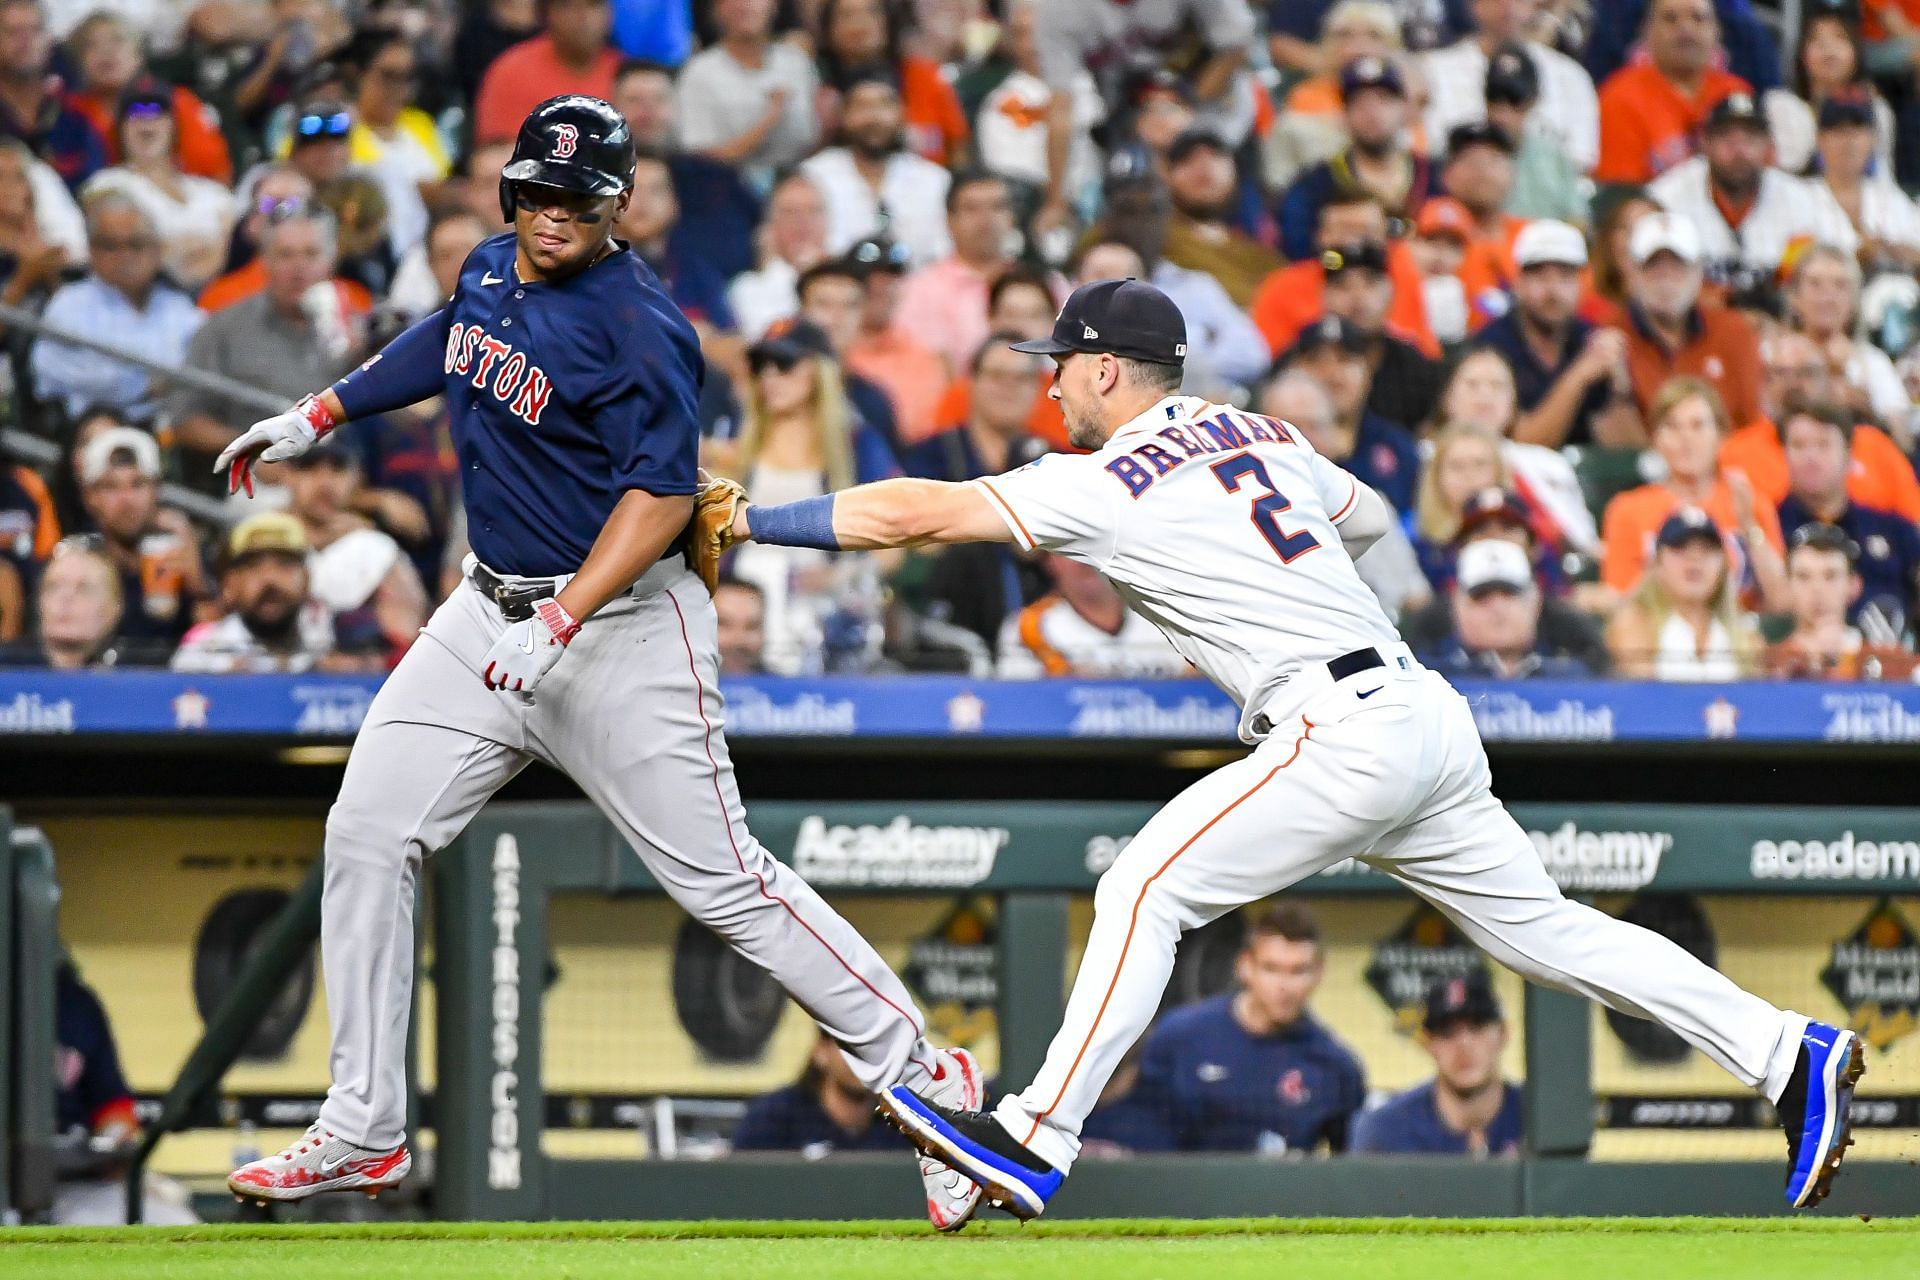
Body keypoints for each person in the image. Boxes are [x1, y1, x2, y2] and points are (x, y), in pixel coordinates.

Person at [726, 282, 1869, 1217]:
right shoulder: (1264, 432)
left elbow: (911, 512)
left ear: (1110, 371)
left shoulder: (1103, 479)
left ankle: (1032, 1134)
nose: (1051, 380)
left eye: (1062, 362)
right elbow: (1369, 516)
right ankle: (1785, 1049)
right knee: (1559, 932)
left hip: (1340, 726)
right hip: (1421, 713)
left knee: (1143, 886)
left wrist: (749, 519)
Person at [216, 97, 985, 1233]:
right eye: (534, 189)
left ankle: (923, 1070)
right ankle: (367, 1123)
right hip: (486, 610)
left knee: (722, 878)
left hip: (622, 626)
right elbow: (449, 337)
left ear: (616, 204)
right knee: (367, 830)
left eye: (576, 195)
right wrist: (321, 410)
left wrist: (566, 617)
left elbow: (664, 494)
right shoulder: (491, 263)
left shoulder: (642, 323)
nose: (550, 212)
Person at [1118, 904, 1367, 1154]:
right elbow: (1136, 1130)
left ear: (1319, 973)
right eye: (1271, 968)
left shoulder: (1334, 1066)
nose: (1284, 985)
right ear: (1245, 966)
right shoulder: (1180, 1037)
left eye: (1298, 971)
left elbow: (1346, 1168)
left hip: (1280, 1192)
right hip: (1181, 1189)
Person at [168, 204, 367, 482]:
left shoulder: (359, 326)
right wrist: (253, 449)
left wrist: (361, 352)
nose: (300, 268)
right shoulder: (225, 328)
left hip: (348, 477)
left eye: (311, 254)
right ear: (265, 261)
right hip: (261, 481)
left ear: (331, 260)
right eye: (286, 255)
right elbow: (184, 421)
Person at [1029, 0, 1256, 239]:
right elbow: (1060, 111)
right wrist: (1055, 202)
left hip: (1210, 102)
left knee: (1219, 179)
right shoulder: (1060, 10)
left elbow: (1238, 44)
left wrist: (1185, 108)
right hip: (1129, 112)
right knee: (1130, 186)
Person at [1260, 369, 1434, 619]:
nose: (1303, 439)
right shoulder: (1234, 510)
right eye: (1289, 426)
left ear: (1334, 435)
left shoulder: (1368, 502)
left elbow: (1416, 598)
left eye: (1315, 425)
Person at [1646, 94, 1857, 297]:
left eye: (1750, 138)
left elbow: (1847, 256)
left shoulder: (1804, 199)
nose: (1739, 151)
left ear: (1767, 146)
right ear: (1705, 144)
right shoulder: (1666, 196)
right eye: (1726, 138)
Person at [1603, 377, 1785, 603]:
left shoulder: (1751, 503)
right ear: (1656, 438)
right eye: (1672, 426)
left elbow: (1781, 601)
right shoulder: (1627, 509)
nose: (1685, 438)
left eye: (1697, 425)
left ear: (1721, 435)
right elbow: (1620, 600)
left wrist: (1749, 525)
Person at [49, 960, 198, 1224]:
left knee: (175, 1225)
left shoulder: (72, 1002)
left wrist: (109, 1143)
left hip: (73, 1181)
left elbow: (113, 1105)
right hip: (14, 1185)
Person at [30, 192, 199, 425]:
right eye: (110, 246)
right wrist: (147, 385)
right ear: (91, 250)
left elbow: (204, 365)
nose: (125, 255)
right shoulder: (70, 304)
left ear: (157, 250)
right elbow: (50, 373)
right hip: (94, 429)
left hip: (172, 429)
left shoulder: (177, 306)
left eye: (136, 244)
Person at [1473, 220, 1643, 448]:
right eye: (1540, 276)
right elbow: (1524, 443)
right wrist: (1580, 375)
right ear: (1519, 282)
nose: (1553, 291)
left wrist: (1619, 387)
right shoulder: (1491, 346)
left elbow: (1629, 451)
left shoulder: (1590, 338)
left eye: (1565, 276)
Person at [1721, 329, 1920, 521]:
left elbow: (1914, 521)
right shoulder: (1736, 452)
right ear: (1764, 383)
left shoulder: (1874, 446)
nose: (1793, 384)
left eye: (1807, 372)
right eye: (1780, 372)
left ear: (1829, 380)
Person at [1435, 347, 1599, 557]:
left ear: (1513, 401)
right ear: (1446, 398)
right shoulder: (1423, 459)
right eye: (1472, 385)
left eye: (1497, 386)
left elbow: (1584, 544)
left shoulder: (1549, 463)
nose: (1485, 396)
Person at [1775, 402, 1920, 636]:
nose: (1811, 457)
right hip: (1797, 663)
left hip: (1892, 661)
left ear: (1848, 454)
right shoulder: (1772, 524)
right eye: (1799, 446)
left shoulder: (1892, 528)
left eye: (1823, 445)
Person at [613, 59, 762, 284]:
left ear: (676, 109)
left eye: (659, 100)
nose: (647, 113)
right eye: (634, 101)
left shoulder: (715, 177)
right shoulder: (585, 184)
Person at [1278, 56, 1439, 263]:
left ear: (1404, 109)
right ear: (1344, 115)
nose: (1371, 112)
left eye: (1383, 99)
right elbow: (1299, 252)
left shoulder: (1433, 174)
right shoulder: (1316, 182)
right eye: (1359, 102)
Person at [283, 438, 427, 667]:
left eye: (337, 469)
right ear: (288, 477)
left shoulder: (377, 549)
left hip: (355, 680)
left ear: (356, 480)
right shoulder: (263, 540)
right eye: (309, 469)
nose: (325, 483)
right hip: (272, 676)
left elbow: (407, 636)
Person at [79, 85, 236, 290]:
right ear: (121, 129)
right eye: (135, 114)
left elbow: (236, 246)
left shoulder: (211, 192)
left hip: (221, 295)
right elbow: (121, 248)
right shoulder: (107, 183)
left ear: (173, 126)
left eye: (155, 113)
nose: (145, 122)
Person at [1352, 971, 1525, 1156]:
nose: (1464, 1044)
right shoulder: (1386, 1129)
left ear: (1503, 1034)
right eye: (1447, 1031)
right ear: (1427, 1042)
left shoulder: (1541, 1118)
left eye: (1477, 1026)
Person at [1619, 211, 1764, 427]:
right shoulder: (1611, 336)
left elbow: (1752, 422)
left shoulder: (1735, 332)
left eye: (1677, 264)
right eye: (1653, 265)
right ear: (1633, 272)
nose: (1665, 277)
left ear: (1698, 271)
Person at [1250, 193, 1437, 360]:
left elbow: (1427, 354)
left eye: (1367, 231)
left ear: (1383, 236)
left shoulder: (1404, 278)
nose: (1354, 241)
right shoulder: (1283, 286)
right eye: (1344, 229)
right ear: (1321, 236)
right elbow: (1268, 361)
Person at [72, 420, 206, 652]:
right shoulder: (76, 565)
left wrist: (198, 585)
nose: (126, 500)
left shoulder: (184, 555)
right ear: (90, 497)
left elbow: (220, 654)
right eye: (111, 487)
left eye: (138, 484)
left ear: (157, 490)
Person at [1421, 0, 1598, 174]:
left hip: (1544, 193)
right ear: (1474, 4)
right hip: (1458, 187)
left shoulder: (1570, 75)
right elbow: (1429, 146)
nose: (1509, 7)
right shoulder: (1434, 69)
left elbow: (1582, 158)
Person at [1077, 238, 1266, 402]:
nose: (1114, 286)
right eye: (1101, 275)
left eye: (1127, 277)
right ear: (1077, 284)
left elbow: (1254, 357)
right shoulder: (1064, 349)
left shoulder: (1183, 361)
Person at [798, 68, 952, 267]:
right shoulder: (814, 176)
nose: (874, 117)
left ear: (902, 112)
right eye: (862, 106)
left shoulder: (934, 179)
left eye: (885, 105)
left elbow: (944, 252)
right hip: (838, 287)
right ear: (843, 116)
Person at [1593, 0, 1751, 184]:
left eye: (1698, 18)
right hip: (1651, 209)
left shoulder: (1736, 92)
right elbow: (1619, 194)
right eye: (1670, 19)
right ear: (1647, 32)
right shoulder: (1620, 96)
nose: (1686, 29)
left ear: (1717, 30)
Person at [63, 12, 231, 183]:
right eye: (91, 45)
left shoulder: (175, 102)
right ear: (79, 61)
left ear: (138, 55)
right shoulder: (69, 113)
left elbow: (217, 176)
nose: (106, 51)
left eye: (117, 40)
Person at [1279, 314, 1421, 513]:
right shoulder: (1269, 442)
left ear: (1368, 369)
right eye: (1317, 361)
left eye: (1345, 360)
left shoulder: (1398, 447)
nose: (1332, 374)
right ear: (1293, 369)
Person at [171, 511, 340, 673]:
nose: (270, 578)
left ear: (306, 580)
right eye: (253, 567)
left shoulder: (333, 641)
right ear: (229, 585)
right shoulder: (201, 656)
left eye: (284, 564)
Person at [674, 0, 817, 189]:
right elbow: (702, 157)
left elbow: (814, 137)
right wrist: (769, 119)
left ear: (773, 6)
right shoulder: (698, 73)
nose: (745, 6)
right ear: (715, 10)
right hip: (727, 188)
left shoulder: (796, 62)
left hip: (802, 181)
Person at [1606, 505, 1762, 679]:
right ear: (1657, 563)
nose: (1694, 559)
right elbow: (1642, 696)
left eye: (1707, 550)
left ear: (1723, 565)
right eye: (1680, 548)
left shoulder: (1745, 637)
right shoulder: (1634, 624)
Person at [892, 171, 1021, 376]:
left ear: (1012, 218)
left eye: (997, 207)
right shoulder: (918, 290)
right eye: (972, 209)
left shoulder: (1045, 284)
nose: (986, 220)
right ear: (949, 221)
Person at [1417, 538, 1604, 677]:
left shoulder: (1573, 677)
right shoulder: (1428, 678)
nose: (1497, 607)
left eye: (1509, 593)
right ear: (1457, 606)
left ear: (1535, 602)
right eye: (1481, 596)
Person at [1267, 0, 1403, 191]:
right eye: (1345, 36)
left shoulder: (1410, 95)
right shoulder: (1306, 95)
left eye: (1374, 35)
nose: (1359, 47)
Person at [815, 0, 968, 166]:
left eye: (872, 12)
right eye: (846, 15)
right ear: (828, 28)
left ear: (888, 21)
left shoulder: (925, 76)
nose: (860, 23)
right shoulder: (817, 86)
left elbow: (958, 150)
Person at [1783, 243, 1911, 432]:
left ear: (1854, 300)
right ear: (1794, 297)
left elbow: (1903, 440)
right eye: (1815, 284)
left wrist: (1867, 408)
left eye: (1840, 286)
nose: (1828, 297)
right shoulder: (1773, 357)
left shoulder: (1874, 363)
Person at [998, 551, 1188, 678]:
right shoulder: (1028, 627)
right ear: (1049, 561)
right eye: (1070, 550)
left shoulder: (1170, 614)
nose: (1085, 561)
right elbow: (1022, 705)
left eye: (1095, 546)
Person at [1763, 523, 1916, 680]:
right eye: (1804, 576)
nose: (1818, 589)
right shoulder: (1767, 664)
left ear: (1853, 585)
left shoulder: (1886, 661)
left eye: (1830, 576)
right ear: (1788, 585)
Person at [342, 28, 447, 258]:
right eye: (388, 76)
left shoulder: (421, 124)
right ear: (356, 74)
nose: (399, 90)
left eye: (407, 78)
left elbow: (441, 184)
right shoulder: (336, 130)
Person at [1157, 127, 1286, 309]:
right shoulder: (1151, 237)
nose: (1203, 166)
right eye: (1187, 159)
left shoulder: (1263, 257)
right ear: (1166, 176)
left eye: (1216, 155)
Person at [844, 235, 950, 444]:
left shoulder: (920, 356)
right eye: (867, 278)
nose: (878, 287)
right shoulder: (835, 352)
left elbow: (930, 432)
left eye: (889, 277)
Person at [1767, 8, 1896, 178]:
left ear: (1856, 52)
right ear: (1802, 55)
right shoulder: (1782, 104)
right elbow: (1786, 172)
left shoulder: (1877, 109)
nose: (1828, 48)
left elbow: (1883, 180)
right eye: (1816, 40)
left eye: (1840, 37)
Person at [472, 0, 621, 146]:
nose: (583, 17)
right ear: (547, 14)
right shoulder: (512, 70)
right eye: (568, 6)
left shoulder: (625, 73)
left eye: (594, 5)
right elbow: (493, 154)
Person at [732, 1031, 903, 1154]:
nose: (865, 1059)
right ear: (821, 1051)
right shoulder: (774, 1119)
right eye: (852, 1047)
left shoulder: (905, 1126)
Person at [906, 336, 1045, 482]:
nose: (1008, 386)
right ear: (972, 381)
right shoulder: (929, 457)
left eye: (1021, 378)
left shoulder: (1052, 460)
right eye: (997, 375)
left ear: (1038, 388)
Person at [0, 0, 104, 190]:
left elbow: (97, 184)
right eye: (13, 32)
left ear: (49, 40)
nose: (26, 41)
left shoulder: (75, 111)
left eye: (35, 30)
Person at [1813, 91, 1920, 275]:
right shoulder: (1797, 195)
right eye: (1839, 131)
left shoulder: (1891, 197)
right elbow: (1782, 273)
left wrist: (1899, 254)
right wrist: (1856, 256)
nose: (1849, 142)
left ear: (1872, 139)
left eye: (1857, 131)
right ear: (1820, 139)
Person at [1482, 42, 1590, 225]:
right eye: (1495, 99)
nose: (1503, 114)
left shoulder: (1554, 157)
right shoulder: (1467, 152)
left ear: (1533, 101)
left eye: (1515, 101)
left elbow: (1578, 220)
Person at [727, 171, 828, 342]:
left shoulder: (852, 277)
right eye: (790, 212)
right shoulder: (748, 287)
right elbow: (769, 341)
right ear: (770, 226)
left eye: (813, 210)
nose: (803, 222)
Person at [4, 536, 124, 667]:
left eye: (83, 588)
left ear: (114, 607)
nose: (66, 597)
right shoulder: (7, 670)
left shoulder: (138, 674)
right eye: (54, 586)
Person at [712, 573, 767, 675]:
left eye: (751, 626)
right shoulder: (678, 686)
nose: (739, 640)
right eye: (724, 624)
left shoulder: (785, 688)